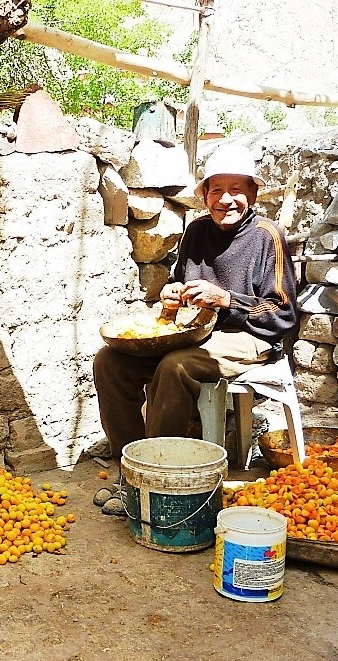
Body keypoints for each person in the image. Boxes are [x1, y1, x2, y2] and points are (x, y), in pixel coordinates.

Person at [93, 143, 298, 510]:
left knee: (176, 367)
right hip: (199, 333)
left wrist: (226, 300)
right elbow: (181, 287)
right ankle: (131, 472)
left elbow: (282, 315)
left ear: (253, 193)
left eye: (237, 189)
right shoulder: (196, 231)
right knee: (110, 362)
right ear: (204, 195)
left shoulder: (268, 236)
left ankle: (159, 480)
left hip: (250, 338)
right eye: (216, 190)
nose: (227, 200)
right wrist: (171, 298)